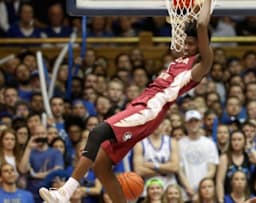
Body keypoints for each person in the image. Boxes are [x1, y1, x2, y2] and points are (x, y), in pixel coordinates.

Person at [38, 0, 214, 202]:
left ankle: (64, 193)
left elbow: (201, 26)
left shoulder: (201, 65)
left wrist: (207, 2)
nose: (185, 45)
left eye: (192, 43)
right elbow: (194, 25)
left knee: (97, 133)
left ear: (202, 45)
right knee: (101, 164)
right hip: (140, 106)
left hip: (149, 111)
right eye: (185, 41)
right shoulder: (180, 61)